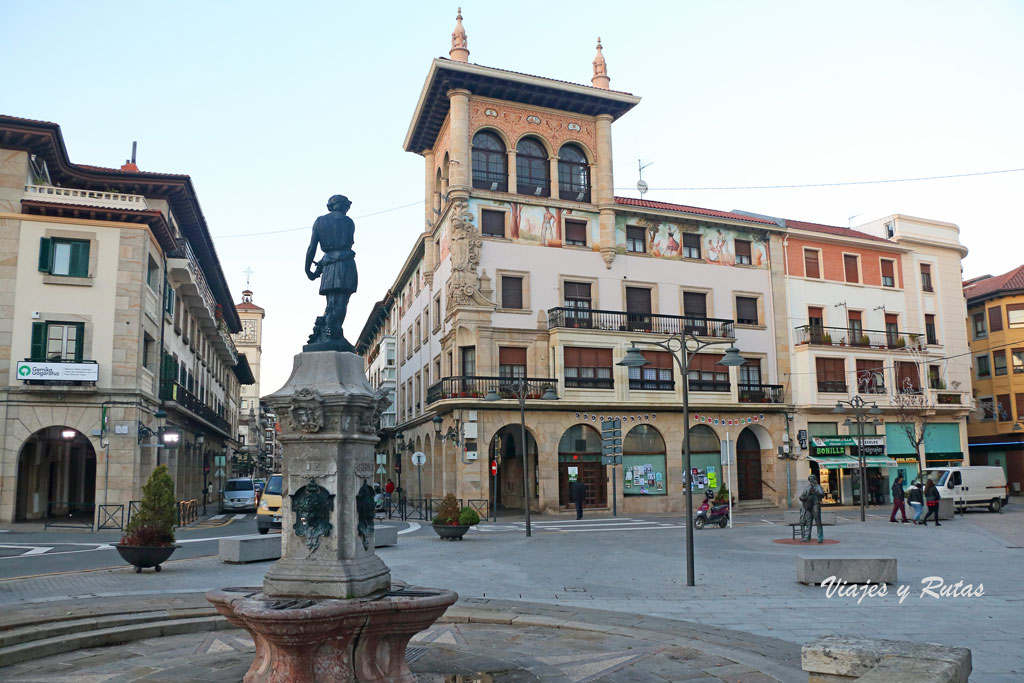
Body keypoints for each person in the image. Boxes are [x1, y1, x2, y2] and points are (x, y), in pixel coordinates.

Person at [799, 475, 826, 543]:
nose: (811, 481)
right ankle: (807, 537)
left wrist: (816, 492)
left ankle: (820, 537)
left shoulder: (818, 487)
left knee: (818, 522)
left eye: (812, 480)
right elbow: (801, 497)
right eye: (810, 480)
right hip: (808, 506)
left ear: (815, 480)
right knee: (808, 522)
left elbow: (822, 495)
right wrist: (804, 498)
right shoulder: (807, 488)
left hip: (815, 505)